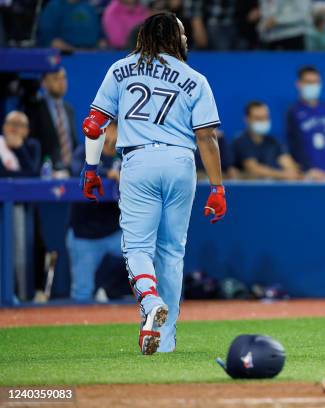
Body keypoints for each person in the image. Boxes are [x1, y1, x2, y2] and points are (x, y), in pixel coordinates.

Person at [80, 12, 226, 355]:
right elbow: (207, 137)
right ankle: (166, 339)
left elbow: (94, 124)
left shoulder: (120, 68)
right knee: (172, 253)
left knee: (137, 248)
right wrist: (218, 188)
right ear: (175, 38)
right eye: (183, 34)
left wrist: (90, 169)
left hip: (139, 159)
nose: (187, 40)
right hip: (180, 162)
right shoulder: (195, 78)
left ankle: (149, 300)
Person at [67, 123, 122, 301]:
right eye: (109, 128)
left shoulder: (125, 154)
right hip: (85, 235)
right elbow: (77, 171)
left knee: (147, 257)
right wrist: (108, 173)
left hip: (115, 232)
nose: (112, 134)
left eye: (115, 128)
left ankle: (107, 289)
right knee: (82, 293)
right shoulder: (84, 151)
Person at [26, 68, 78, 175]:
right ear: (44, 83)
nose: (61, 82)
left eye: (63, 78)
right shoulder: (35, 109)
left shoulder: (69, 109)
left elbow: (72, 143)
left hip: (70, 173)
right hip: (46, 174)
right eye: (55, 78)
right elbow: (32, 145)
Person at [233, 101, 301, 180]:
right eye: (258, 118)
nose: (263, 121)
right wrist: (282, 174)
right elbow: (253, 169)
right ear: (247, 119)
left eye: (266, 117)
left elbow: (289, 165)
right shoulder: (241, 142)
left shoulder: (273, 142)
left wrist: (299, 173)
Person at [37, 0, 103, 50]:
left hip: (93, 54)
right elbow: (51, 40)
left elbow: (101, 36)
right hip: (66, 55)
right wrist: (73, 50)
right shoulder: (54, 7)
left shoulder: (89, 7)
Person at [0, 111, 41, 177]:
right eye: (11, 123)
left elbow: (33, 174)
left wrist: (20, 148)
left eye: (20, 124)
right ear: (4, 126)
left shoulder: (32, 145)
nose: (14, 128)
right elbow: (2, 175)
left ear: (27, 130)